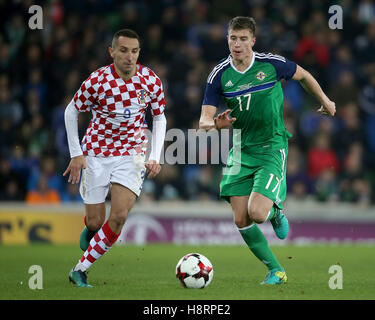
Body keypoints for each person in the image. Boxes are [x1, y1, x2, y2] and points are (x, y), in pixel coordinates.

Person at [199, 17, 336, 285]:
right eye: (232, 38)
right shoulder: (219, 74)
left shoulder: (271, 64)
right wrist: (216, 123)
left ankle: (276, 212)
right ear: (227, 39)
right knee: (241, 219)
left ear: (253, 40)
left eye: (242, 39)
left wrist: (325, 100)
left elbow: (304, 75)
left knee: (258, 213)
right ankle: (276, 270)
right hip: (241, 151)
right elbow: (204, 121)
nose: (237, 44)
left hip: (272, 145)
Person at [63, 29, 167, 287]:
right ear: (112, 52)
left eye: (134, 51)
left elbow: (159, 117)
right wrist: (76, 153)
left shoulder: (150, 80)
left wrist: (155, 155)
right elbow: (70, 112)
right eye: (123, 50)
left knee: (119, 216)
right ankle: (91, 230)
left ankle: (79, 270)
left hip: (131, 153)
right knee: (97, 222)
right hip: (96, 152)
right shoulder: (97, 81)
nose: (129, 57)